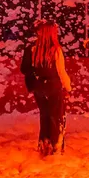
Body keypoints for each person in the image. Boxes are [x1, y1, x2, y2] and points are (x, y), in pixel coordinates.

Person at [20, 22, 71, 156]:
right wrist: (68, 87)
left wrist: (37, 73)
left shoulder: (33, 49)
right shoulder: (55, 50)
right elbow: (61, 71)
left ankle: (44, 145)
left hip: (39, 87)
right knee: (57, 118)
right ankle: (56, 147)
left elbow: (24, 69)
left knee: (45, 116)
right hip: (54, 86)